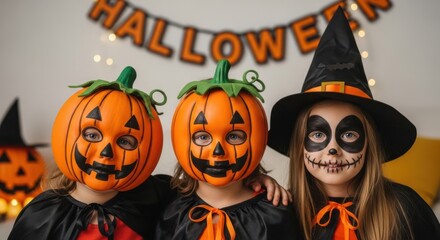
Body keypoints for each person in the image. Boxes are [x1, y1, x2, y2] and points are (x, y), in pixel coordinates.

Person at [8, 66, 290, 240]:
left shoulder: (156, 198)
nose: (106, 153)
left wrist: (256, 177)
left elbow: (214, 188)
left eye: (127, 142)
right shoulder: (41, 213)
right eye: (92, 135)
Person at [267, 7, 440, 240]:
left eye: (349, 134)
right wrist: (250, 186)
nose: (332, 149)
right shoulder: (281, 213)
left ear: (369, 141)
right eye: (318, 134)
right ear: (300, 143)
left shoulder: (405, 209)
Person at [156, 59, 302, 239]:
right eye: (203, 137)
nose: (218, 151)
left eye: (234, 136)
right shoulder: (166, 201)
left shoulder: (275, 213)